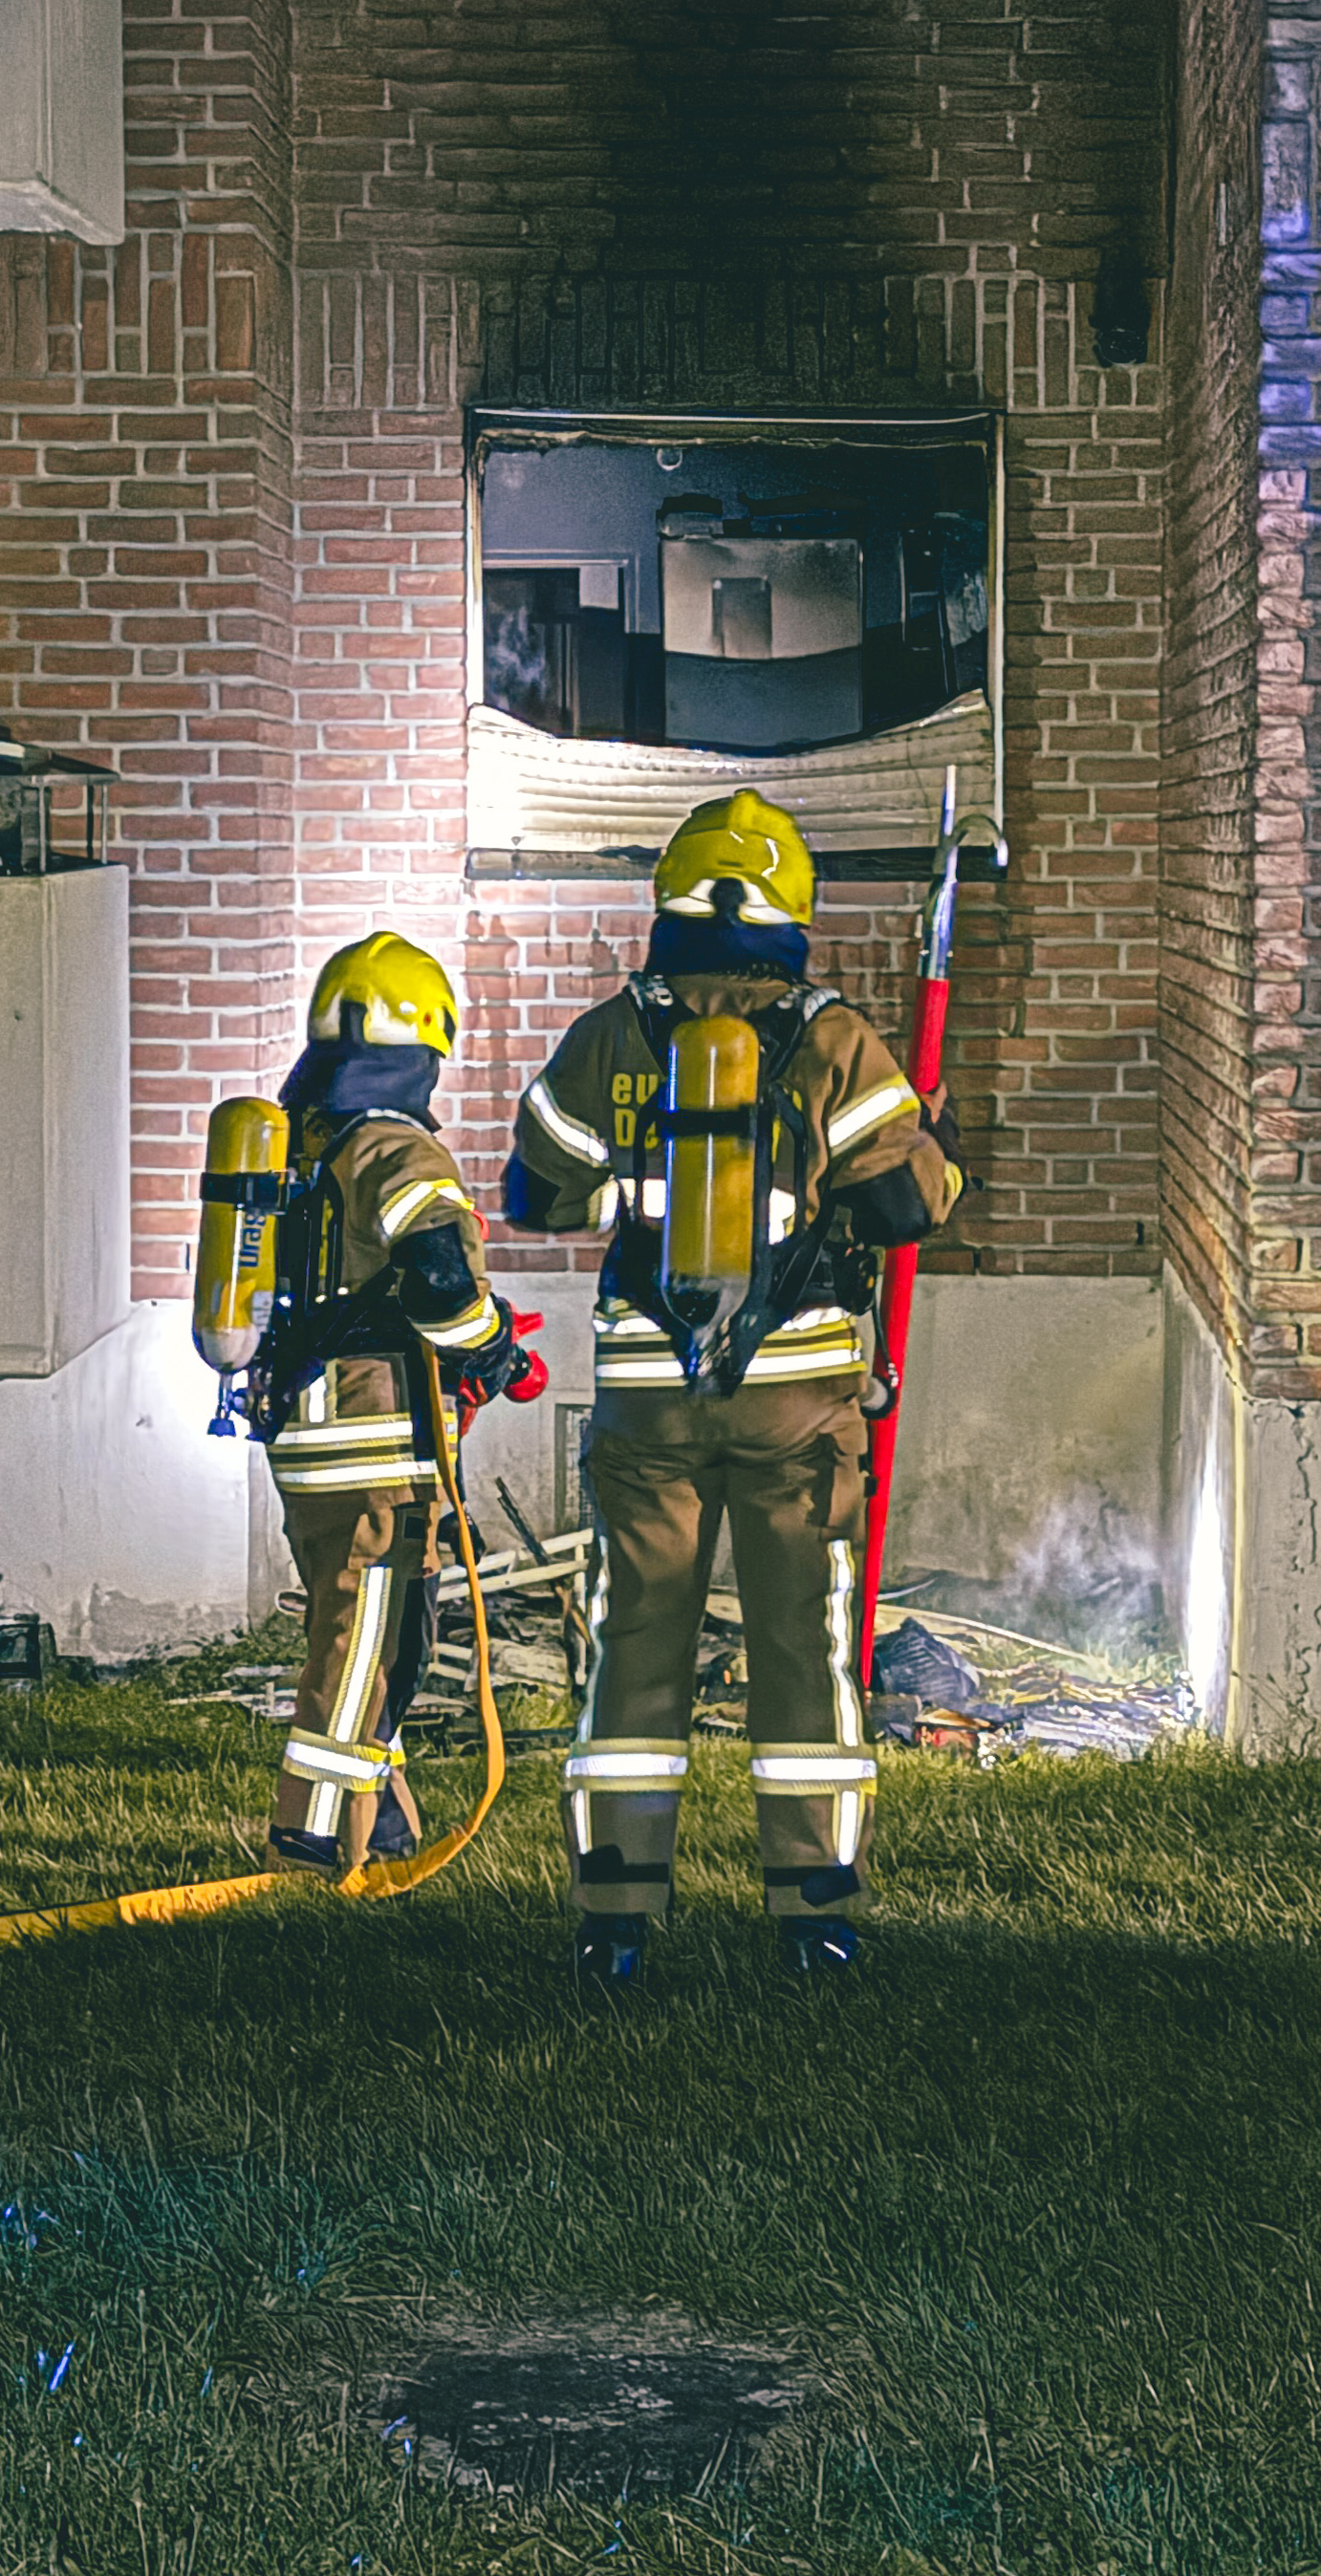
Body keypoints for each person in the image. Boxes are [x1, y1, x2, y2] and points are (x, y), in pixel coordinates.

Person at [506, 790, 963, 1985]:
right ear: (791, 911)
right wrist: (935, 1146)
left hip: (647, 1398)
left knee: (634, 1637)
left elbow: (536, 1192)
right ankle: (815, 1914)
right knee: (804, 1642)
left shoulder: (611, 1034)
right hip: (797, 1405)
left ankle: (615, 1916)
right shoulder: (835, 1040)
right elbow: (907, 1204)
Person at [257, 933, 535, 1878]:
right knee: (370, 1645)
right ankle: (312, 1837)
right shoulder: (395, 1148)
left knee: (373, 1634)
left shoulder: (306, 1142)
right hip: (375, 1442)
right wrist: (492, 1348)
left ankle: (382, 1827)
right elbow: (440, 1279)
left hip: (308, 1433)